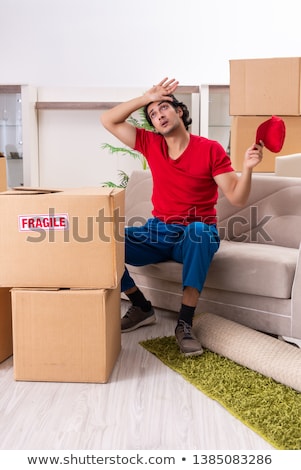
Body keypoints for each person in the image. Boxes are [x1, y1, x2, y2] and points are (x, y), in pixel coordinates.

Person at [101, 77, 263, 357]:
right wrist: (146, 97)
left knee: (199, 232)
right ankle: (140, 306)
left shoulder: (209, 148)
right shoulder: (150, 144)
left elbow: (236, 196)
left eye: (163, 107)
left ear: (179, 111)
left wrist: (247, 168)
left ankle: (184, 323)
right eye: (152, 114)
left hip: (194, 234)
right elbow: (108, 120)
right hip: (158, 231)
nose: (158, 115)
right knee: (104, 242)